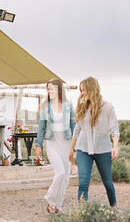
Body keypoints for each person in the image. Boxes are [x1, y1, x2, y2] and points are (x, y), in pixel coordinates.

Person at [68, 77, 119, 208]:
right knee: (83, 183)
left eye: (84, 90)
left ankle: (114, 208)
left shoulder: (108, 107)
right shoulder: (82, 107)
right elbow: (77, 129)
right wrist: (71, 149)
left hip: (103, 150)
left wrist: (115, 147)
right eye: (81, 90)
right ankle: (82, 213)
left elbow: (115, 129)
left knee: (107, 182)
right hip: (83, 149)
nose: (82, 93)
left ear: (92, 89)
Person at [34, 78, 76, 214]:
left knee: (65, 177)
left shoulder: (68, 105)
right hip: (51, 143)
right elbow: (41, 128)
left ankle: (58, 205)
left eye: (52, 88)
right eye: (48, 88)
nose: (49, 91)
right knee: (60, 173)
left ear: (59, 90)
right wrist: (38, 145)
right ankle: (51, 199)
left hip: (67, 144)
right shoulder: (45, 106)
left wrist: (76, 144)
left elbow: (74, 125)